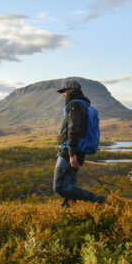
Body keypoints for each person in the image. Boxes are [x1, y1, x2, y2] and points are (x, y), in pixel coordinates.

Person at [53, 78, 106, 208]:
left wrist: (72, 153)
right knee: (69, 186)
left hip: (70, 151)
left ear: (71, 90)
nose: (63, 94)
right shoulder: (84, 105)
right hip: (79, 150)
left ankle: (95, 199)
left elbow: (74, 129)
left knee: (60, 187)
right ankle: (68, 215)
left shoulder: (74, 105)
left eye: (64, 91)